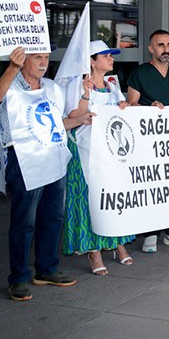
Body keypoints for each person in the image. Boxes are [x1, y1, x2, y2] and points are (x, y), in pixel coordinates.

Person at [1, 47, 93, 301]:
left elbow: (57, 123)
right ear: (22, 59)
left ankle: (46, 268)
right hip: (23, 160)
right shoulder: (10, 84)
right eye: (36, 57)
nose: (43, 62)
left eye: (45, 57)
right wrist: (12, 68)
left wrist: (79, 120)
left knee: (53, 217)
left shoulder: (52, 88)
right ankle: (18, 278)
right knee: (24, 221)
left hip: (53, 158)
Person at [62, 41, 135, 276]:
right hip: (84, 152)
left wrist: (124, 105)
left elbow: (119, 112)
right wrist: (85, 94)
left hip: (108, 154)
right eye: (105, 55)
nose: (110, 59)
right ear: (91, 60)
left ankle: (116, 242)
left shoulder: (112, 85)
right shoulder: (77, 84)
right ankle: (93, 249)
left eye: (110, 55)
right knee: (88, 200)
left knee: (110, 198)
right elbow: (72, 115)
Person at [126, 29, 169, 253]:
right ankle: (150, 232)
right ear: (151, 48)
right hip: (149, 139)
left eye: (168, 44)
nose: (166, 49)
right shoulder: (140, 73)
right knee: (152, 184)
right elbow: (131, 104)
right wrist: (149, 108)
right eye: (160, 45)